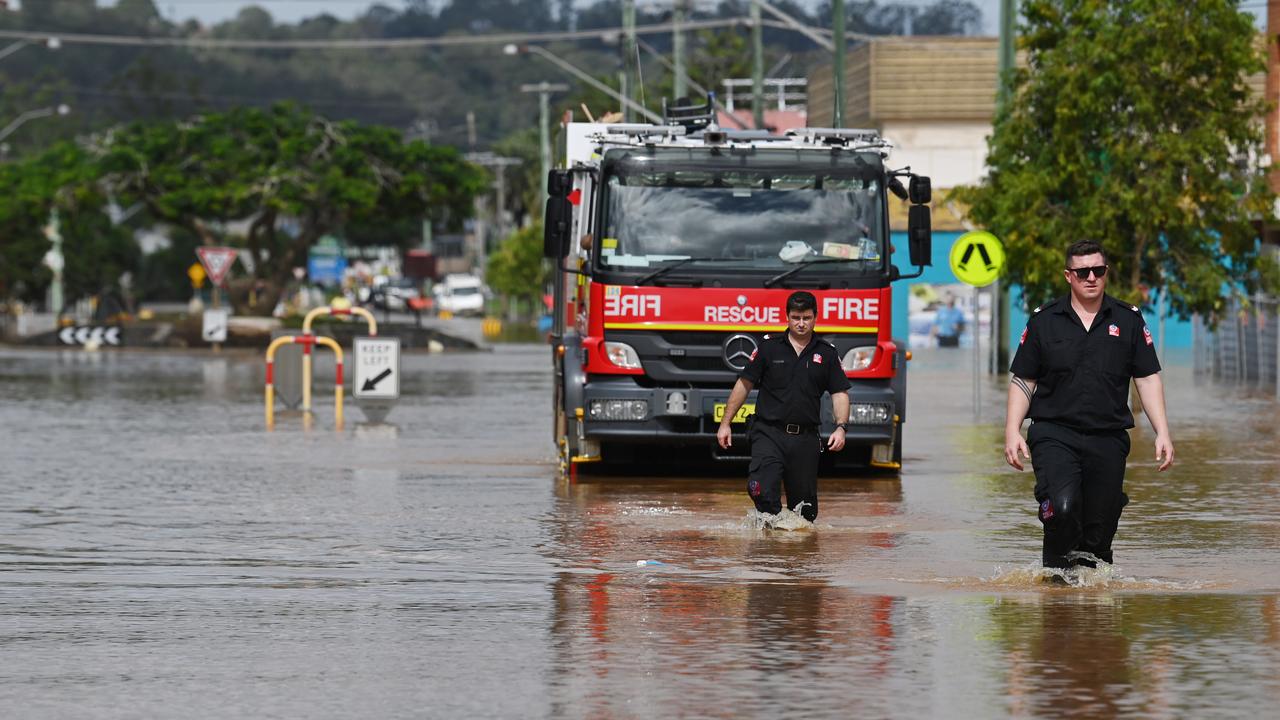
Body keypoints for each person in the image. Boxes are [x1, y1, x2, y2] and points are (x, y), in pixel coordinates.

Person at [1004, 240, 1174, 571]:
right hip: (1054, 434)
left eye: (1098, 270)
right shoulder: (1044, 321)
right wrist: (1012, 430)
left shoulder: (1128, 320)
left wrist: (1162, 431)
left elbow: (1148, 379)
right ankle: (1055, 578)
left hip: (1108, 438)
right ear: (1069, 276)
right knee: (1064, 507)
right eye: (1083, 272)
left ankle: (1091, 612)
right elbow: (1024, 380)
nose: (1091, 277)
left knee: (1099, 534)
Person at [717, 291, 851, 522]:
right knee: (762, 490)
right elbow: (744, 385)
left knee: (804, 511)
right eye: (796, 317)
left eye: (806, 318)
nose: (801, 323)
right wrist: (725, 423)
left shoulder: (827, 353)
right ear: (787, 317)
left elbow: (839, 392)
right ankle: (768, 551)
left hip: (805, 438)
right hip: (769, 433)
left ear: (815, 317)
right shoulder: (769, 348)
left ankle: (792, 553)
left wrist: (841, 427)